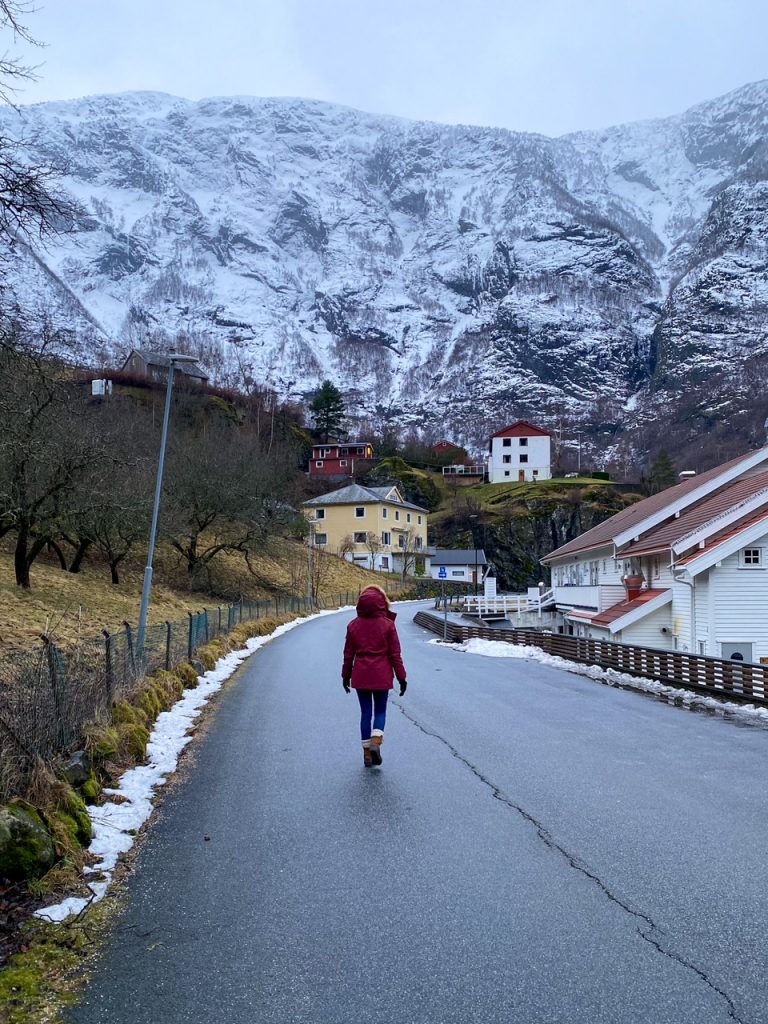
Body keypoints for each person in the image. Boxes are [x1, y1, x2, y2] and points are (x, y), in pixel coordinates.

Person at [342, 585, 407, 767]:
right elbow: (395, 654)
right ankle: (376, 742)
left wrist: (345, 676)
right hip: (382, 674)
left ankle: (367, 755)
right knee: (380, 711)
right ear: (382, 603)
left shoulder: (353, 625)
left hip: (361, 674)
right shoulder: (388, 625)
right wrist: (401, 678)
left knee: (365, 713)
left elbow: (348, 654)